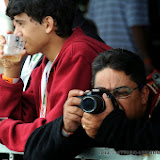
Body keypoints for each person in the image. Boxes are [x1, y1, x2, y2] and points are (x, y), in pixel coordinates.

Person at [0, 0, 112, 152]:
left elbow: (51, 132)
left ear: (48, 24)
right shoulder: (45, 65)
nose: (16, 33)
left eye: (21, 24)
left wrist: (3, 129)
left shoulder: (77, 54)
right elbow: (20, 118)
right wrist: (11, 71)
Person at [24, 48, 160, 160]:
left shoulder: (156, 105)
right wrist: (65, 128)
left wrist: (109, 127)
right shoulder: (97, 118)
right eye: (103, 94)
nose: (111, 101)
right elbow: (33, 154)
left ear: (144, 95)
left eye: (121, 93)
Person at [87, 0, 153, 74]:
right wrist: (147, 59)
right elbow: (137, 26)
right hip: (129, 61)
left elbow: (91, 28)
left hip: (104, 61)